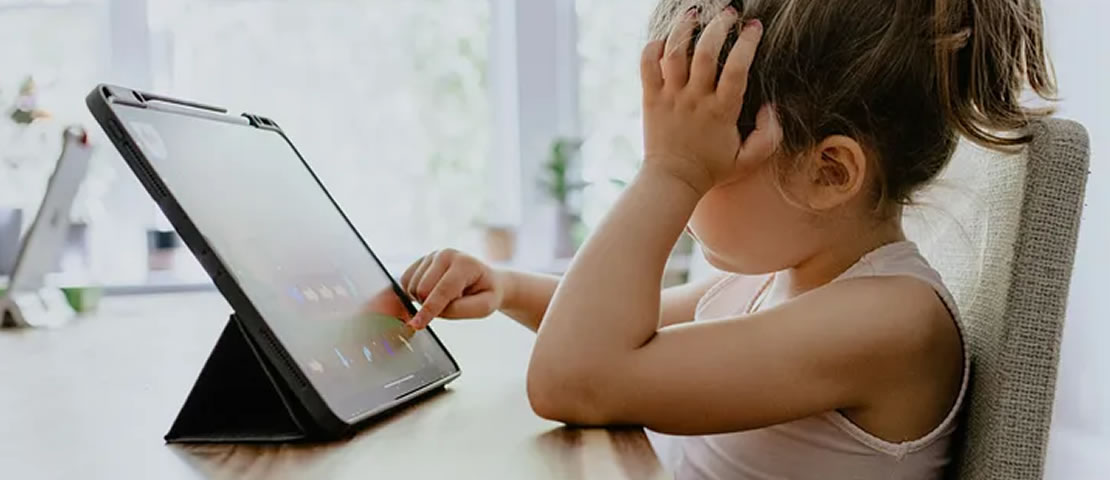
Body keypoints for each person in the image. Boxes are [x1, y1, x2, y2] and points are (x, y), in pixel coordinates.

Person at [401, 0, 1054, 477]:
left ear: (829, 173)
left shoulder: (892, 322)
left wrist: (671, 172)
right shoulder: (774, 278)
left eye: (705, 161)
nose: (678, 197)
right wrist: (508, 286)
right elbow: (622, 328)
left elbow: (575, 377)